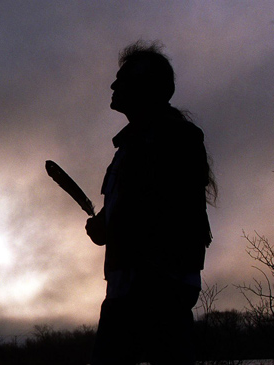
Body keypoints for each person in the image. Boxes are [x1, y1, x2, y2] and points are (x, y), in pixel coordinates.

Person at [85, 41, 216, 365]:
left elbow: (168, 215)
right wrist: (105, 222)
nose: (114, 85)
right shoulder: (129, 147)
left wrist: (115, 228)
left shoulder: (175, 140)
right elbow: (136, 206)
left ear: (148, 88)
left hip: (155, 291)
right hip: (127, 289)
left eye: (124, 78)